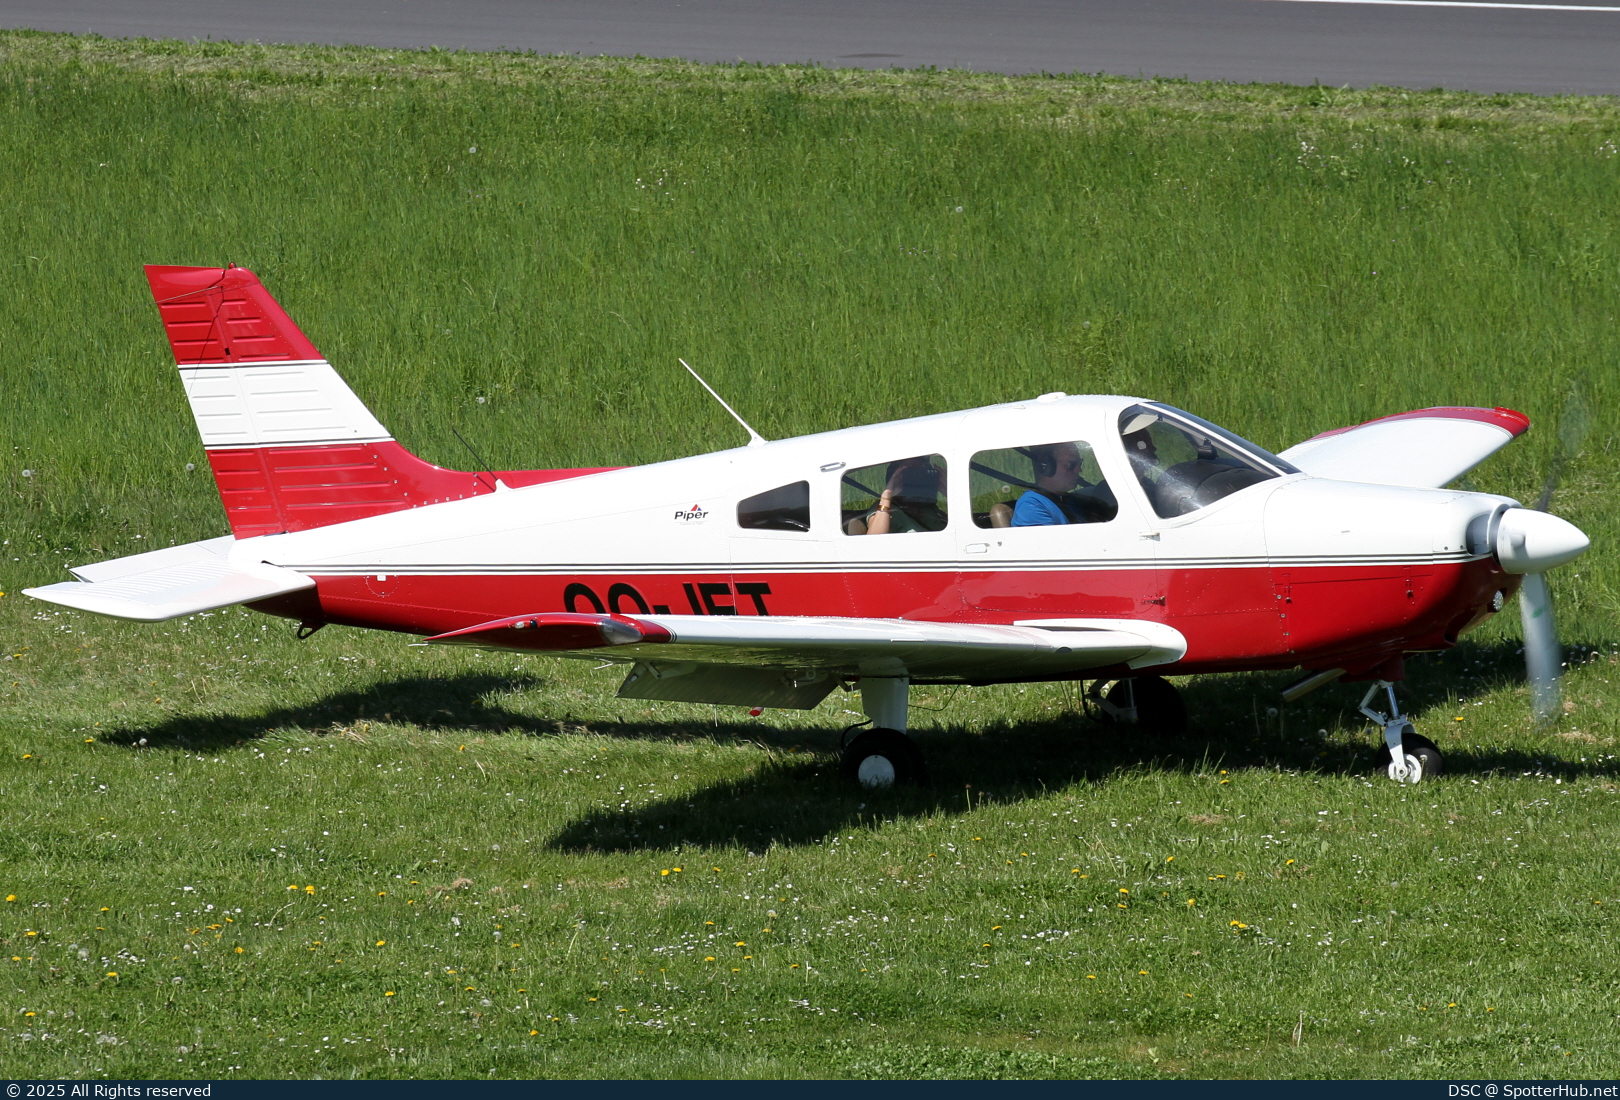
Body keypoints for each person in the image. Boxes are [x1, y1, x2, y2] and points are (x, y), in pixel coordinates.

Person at [1011, 442, 1117, 525]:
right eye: (1071, 464)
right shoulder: (1032, 506)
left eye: (1079, 463)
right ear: (1048, 467)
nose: (1078, 469)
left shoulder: (1071, 500)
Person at [863, 456, 946, 534]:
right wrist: (887, 497)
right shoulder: (885, 508)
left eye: (921, 472)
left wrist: (946, 489)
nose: (916, 477)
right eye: (910, 472)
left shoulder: (929, 508)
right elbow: (875, 541)